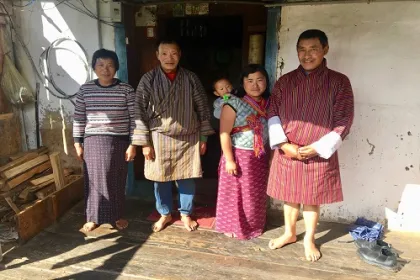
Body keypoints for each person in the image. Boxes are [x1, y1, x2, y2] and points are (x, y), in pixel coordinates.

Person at [267, 29, 354, 262]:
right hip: (288, 150)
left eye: (313, 49)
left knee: (312, 198)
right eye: (302, 50)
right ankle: (289, 233)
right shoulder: (285, 81)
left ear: (325, 49)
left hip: (318, 152)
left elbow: (344, 121)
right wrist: (284, 145)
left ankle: (309, 238)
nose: (307, 55)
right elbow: (272, 112)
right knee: (289, 195)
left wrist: (318, 147)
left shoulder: (339, 82)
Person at [133, 39, 215, 232]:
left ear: (180, 55)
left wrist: (203, 138)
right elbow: (139, 111)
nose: (169, 58)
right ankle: (165, 213)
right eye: (164, 53)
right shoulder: (148, 79)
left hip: (188, 137)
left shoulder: (190, 78)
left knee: (187, 177)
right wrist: (144, 143)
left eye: (174, 53)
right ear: (157, 55)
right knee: (160, 178)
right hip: (158, 137)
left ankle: (185, 213)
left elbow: (202, 108)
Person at [73, 48, 136, 232]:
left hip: (119, 141)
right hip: (93, 140)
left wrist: (133, 144)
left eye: (110, 65)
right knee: (92, 180)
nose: (105, 69)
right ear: (94, 67)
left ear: (116, 67)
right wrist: (77, 142)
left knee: (116, 179)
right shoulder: (85, 90)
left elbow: (134, 119)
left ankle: (117, 215)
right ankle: (93, 217)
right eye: (100, 65)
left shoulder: (126, 89)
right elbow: (78, 117)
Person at [215, 64, 270, 240]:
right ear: (242, 83)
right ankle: (232, 226)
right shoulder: (232, 103)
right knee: (235, 194)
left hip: (259, 156)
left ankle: (253, 225)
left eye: (260, 80)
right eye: (250, 81)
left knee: (254, 195)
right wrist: (229, 160)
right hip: (239, 155)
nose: (255, 85)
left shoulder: (269, 104)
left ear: (266, 82)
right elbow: (224, 133)